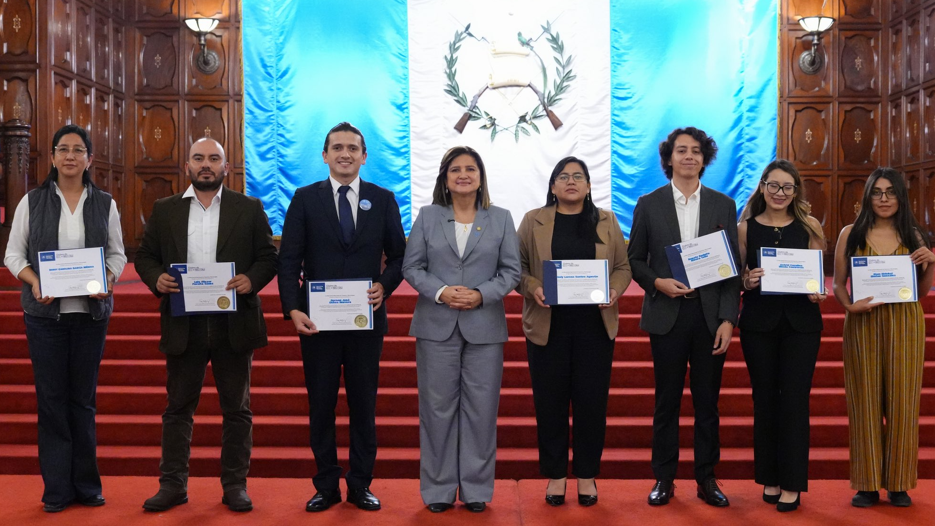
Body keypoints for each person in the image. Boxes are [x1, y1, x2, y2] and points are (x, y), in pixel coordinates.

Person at [135, 138, 278, 513]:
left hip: (235, 323)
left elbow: (268, 256)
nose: (206, 165)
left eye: (214, 159)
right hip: (185, 324)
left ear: (225, 167)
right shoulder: (165, 209)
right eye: (199, 158)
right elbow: (146, 257)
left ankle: (234, 486)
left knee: (237, 410)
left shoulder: (248, 208)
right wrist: (156, 279)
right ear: (187, 166)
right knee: (178, 408)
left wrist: (250, 279)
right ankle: (173, 485)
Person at [278, 122, 407, 512]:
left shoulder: (383, 199)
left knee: (363, 404)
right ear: (325, 155)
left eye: (353, 148)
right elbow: (288, 260)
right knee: (321, 404)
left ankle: (360, 484)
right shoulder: (304, 199)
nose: (345, 154)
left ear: (364, 156)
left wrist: (384, 286)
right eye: (337, 147)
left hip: (365, 321)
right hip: (317, 324)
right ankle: (327, 485)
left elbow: (400, 256)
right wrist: (293, 308)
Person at [3, 124, 126, 513]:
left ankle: (87, 486)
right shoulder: (32, 202)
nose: (70, 156)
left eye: (78, 150)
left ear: (89, 158)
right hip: (44, 317)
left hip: (90, 316)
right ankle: (57, 489)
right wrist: (35, 281)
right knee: (52, 402)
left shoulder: (104, 203)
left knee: (83, 401)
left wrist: (106, 279)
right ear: (53, 157)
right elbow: (13, 256)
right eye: (63, 149)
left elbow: (118, 255)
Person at [402, 146, 520, 513]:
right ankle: (437, 490)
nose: (463, 175)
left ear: (481, 176)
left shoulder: (501, 218)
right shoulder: (427, 216)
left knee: (481, 411)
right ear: (445, 179)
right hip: (436, 325)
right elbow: (412, 267)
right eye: (456, 170)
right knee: (436, 410)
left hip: (484, 327)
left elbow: (512, 271)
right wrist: (441, 291)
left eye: (471, 169)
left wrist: (481, 295)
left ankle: (475, 490)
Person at [627, 127, 740, 507]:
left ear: (704, 159)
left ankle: (707, 478)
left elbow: (732, 270)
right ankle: (664, 478)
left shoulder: (723, 205)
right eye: (681, 151)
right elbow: (634, 260)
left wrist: (728, 319)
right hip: (668, 314)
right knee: (667, 402)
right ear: (669, 158)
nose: (689, 157)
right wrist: (658, 282)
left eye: (696, 151)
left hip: (709, 318)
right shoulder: (649, 202)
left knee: (708, 403)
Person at [516, 156, 632, 507]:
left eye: (578, 176)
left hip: (594, 328)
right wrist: (533, 286)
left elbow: (623, 267)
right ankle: (555, 476)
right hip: (548, 327)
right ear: (552, 186)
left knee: (591, 405)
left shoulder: (607, 221)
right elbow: (517, 267)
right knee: (549, 404)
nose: (571, 181)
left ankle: (586, 476)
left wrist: (614, 289)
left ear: (588, 185)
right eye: (563, 176)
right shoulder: (532, 220)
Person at [832, 167, 934, 508]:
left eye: (891, 192)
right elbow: (836, 284)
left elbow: (920, 293)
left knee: (903, 403)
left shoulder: (915, 235)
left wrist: (931, 262)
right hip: (863, 322)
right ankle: (867, 483)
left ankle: (899, 483)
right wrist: (849, 306)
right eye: (878, 192)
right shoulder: (851, 233)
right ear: (868, 197)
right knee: (864, 403)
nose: (885, 198)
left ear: (901, 197)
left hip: (905, 321)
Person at [737, 159, 826, 512]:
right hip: (758, 324)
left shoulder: (810, 226)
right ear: (762, 187)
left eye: (787, 187)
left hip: (802, 326)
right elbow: (738, 277)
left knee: (794, 401)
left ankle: (792, 483)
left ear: (795, 191)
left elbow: (818, 279)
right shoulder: (745, 228)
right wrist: (747, 281)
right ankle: (770, 478)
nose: (779, 193)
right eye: (773, 185)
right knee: (764, 401)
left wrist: (817, 291)